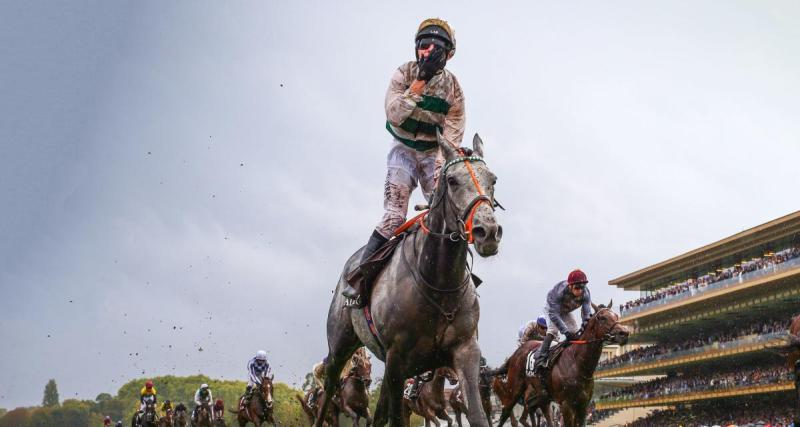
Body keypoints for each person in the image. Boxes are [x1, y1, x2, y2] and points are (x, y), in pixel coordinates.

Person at [342, 17, 465, 308]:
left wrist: (438, 182)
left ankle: (457, 280)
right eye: (424, 46)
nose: (429, 51)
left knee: (447, 211)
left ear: (449, 55)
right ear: (416, 49)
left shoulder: (454, 90)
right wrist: (420, 81)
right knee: (395, 217)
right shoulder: (403, 74)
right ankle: (360, 279)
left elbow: (451, 141)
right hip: (403, 151)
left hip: (433, 154)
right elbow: (394, 115)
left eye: (437, 48)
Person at [532, 269, 592, 398]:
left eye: (582, 287)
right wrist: (565, 331)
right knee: (553, 331)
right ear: (570, 285)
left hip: (566, 310)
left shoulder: (586, 293)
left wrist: (585, 323)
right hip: (552, 309)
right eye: (577, 287)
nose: (580, 290)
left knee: (576, 332)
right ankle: (540, 360)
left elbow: (586, 313)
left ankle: (571, 358)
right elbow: (554, 315)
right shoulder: (559, 292)